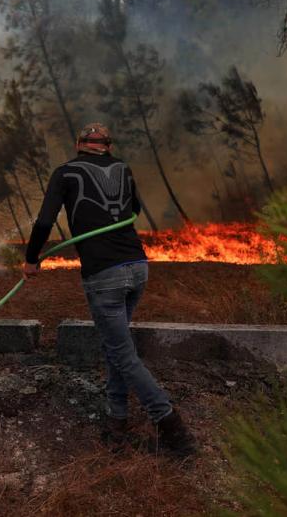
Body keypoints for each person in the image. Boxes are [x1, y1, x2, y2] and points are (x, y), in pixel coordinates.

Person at [23, 123, 197, 458]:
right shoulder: (122, 168)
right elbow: (132, 211)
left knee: (122, 354)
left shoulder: (66, 172)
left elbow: (44, 221)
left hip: (104, 274)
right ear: (107, 146)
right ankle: (117, 422)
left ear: (79, 145)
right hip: (137, 267)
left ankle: (173, 426)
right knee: (117, 348)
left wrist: (31, 259)